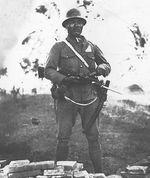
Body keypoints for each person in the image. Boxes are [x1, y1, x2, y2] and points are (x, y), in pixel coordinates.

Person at [44, 8, 111, 173]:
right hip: (67, 97)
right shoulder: (59, 47)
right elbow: (48, 70)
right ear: (66, 26)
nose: (76, 25)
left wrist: (99, 70)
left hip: (90, 97)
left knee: (94, 137)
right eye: (72, 22)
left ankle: (100, 173)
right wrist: (64, 79)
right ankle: (59, 174)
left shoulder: (92, 46)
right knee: (63, 138)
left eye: (79, 22)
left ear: (83, 25)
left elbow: (106, 65)